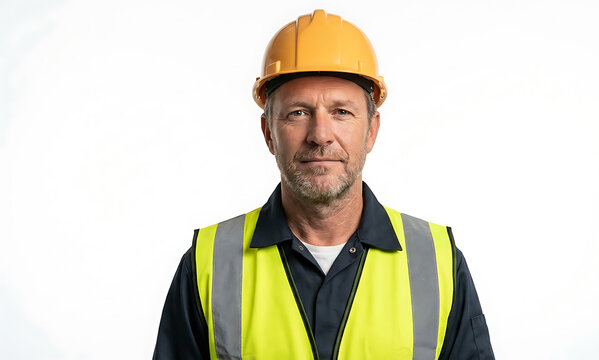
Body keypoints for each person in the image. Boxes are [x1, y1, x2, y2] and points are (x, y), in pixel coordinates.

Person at [153, 9, 494, 360]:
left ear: (372, 130)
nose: (320, 135)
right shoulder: (209, 263)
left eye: (341, 112)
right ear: (269, 132)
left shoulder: (436, 262)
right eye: (298, 112)